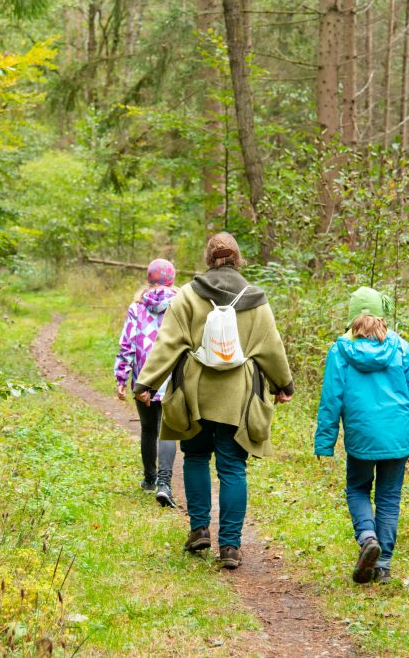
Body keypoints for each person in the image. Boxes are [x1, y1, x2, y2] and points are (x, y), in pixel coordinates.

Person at [133, 233, 294, 569]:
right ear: (238, 259)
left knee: (194, 457)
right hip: (238, 397)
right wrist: (284, 384)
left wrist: (147, 382)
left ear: (208, 259)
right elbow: (271, 346)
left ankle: (199, 530)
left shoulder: (190, 295)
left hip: (195, 393)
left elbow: (168, 343)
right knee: (233, 467)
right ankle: (231, 547)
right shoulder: (255, 298)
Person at [314, 287, 409, 584]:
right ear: (381, 315)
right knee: (389, 498)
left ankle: (368, 538)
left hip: (361, 436)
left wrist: (324, 441)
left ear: (352, 315)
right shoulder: (401, 348)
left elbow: (331, 400)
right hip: (397, 436)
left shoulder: (340, 350)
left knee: (357, 488)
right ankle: (384, 565)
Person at [115, 259, 180, 507]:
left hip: (144, 377)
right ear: (172, 279)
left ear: (149, 278)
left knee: (148, 428)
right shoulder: (181, 304)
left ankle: (150, 479)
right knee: (168, 429)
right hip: (172, 375)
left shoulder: (137, 306)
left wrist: (122, 376)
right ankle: (164, 483)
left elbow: (127, 344)